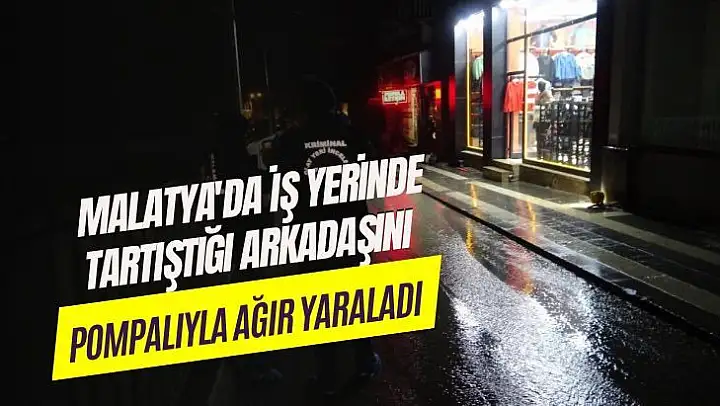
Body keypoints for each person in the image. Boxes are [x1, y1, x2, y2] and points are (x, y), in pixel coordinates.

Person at [270, 76, 382, 399]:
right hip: (351, 228)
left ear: (303, 107)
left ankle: (327, 375)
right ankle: (364, 362)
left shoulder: (291, 140)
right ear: (333, 105)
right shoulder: (354, 136)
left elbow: (282, 181)